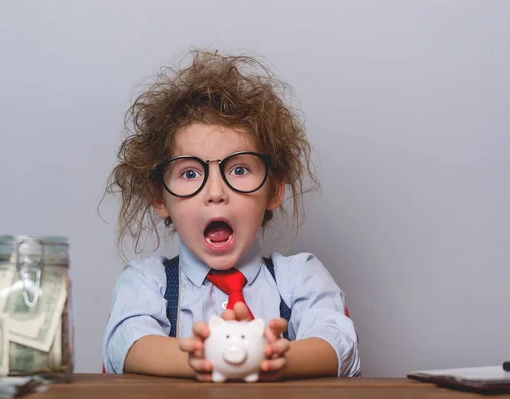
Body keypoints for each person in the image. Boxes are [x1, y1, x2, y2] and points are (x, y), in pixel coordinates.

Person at [102, 49, 360, 380]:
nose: (215, 192)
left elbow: (338, 342)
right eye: (190, 173)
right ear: (159, 196)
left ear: (274, 189)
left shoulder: (299, 278)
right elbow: (126, 343)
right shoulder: (146, 283)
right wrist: (211, 357)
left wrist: (268, 358)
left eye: (239, 169)